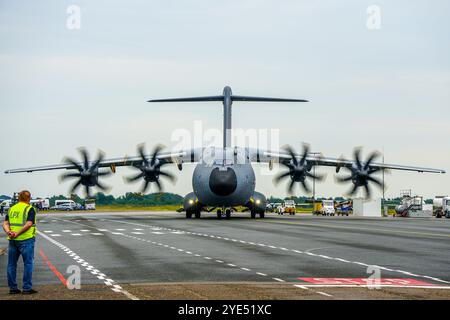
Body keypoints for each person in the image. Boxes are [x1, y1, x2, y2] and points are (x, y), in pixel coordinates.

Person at [2, 190, 38, 295]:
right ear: (29, 198)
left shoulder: (11, 209)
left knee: (11, 264)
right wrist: (17, 233)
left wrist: (9, 232)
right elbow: (29, 224)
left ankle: (13, 288)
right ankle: (26, 288)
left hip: (12, 240)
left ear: (19, 198)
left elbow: (5, 223)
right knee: (28, 263)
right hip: (26, 239)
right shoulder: (30, 209)